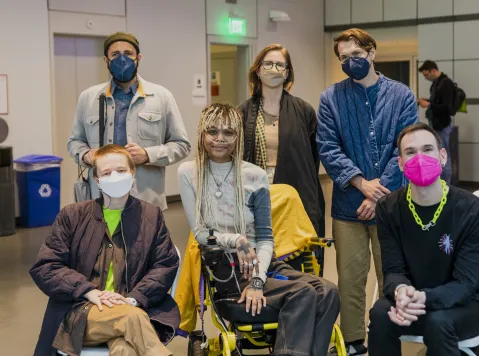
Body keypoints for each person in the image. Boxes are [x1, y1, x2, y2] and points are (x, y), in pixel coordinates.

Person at [178, 103, 340, 356]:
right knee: (304, 293)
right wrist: (237, 240)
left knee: (328, 291)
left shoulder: (254, 175)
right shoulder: (189, 173)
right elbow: (200, 232)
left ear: (238, 136)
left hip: (262, 264)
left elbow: (265, 237)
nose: (220, 139)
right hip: (226, 269)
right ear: (201, 133)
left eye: (229, 133)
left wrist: (256, 280)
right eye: (212, 132)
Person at [317, 28, 418, 355]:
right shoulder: (331, 98)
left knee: (393, 277)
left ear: (371, 53)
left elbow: (405, 148)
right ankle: (353, 342)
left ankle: (387, 339)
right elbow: (328, 148)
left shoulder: (402, 95)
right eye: (344, 58)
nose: (350, 62)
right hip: (348, 208)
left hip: (391, 207)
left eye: (356, 56)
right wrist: (361, 183)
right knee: (349, 281)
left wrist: (379, 193)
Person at [30, 145, 180, 356]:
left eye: (121, 170)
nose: (115, 177)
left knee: (125, 348)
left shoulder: (151, 216)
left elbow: (164, 265)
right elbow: (46, 266)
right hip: (81, 314)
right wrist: (88, 291)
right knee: (130, 318)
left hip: (133, 307)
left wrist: (133, 299)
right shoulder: (72, 216)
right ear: (97, 180)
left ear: (132, 173)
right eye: (107, 173)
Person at [368, 123, 479, 356]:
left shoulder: (473, 211)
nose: (420, 158)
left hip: (465, 304)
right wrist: (401, 291)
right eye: (410, 152)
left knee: (438, 322)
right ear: (400, 164)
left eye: (427, 149)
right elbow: (393, 269)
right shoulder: (388, 208)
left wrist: (425, 297)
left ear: (442, 156)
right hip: (413, 300)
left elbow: (465, 285)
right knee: (380, 314)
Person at [68, 31, 191, 210]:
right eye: (115, 54)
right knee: (103, 239)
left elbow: (182, 145)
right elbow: (75, 142)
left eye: (128, 54)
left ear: (138, 57)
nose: (122, 59)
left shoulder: (161, 97)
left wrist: (148, 154)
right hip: (101, 199)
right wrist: (86, 155)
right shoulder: (89, 98)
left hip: (145, 200)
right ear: (106, 60)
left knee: (144, 238)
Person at [239, 44, 325, 237]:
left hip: (294, 191)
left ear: (287, 73)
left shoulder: (304, 111)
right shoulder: (242, 112)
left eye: (280, 65)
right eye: (268, 64)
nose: (273, 69)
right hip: (254, 192)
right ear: (258, 70)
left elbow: (312, 158)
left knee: (292, 249)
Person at [418, 60, 455, 184]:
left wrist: (428, 104)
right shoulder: (436, 84)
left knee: (443, 156)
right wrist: (428, 102)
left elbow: (447, 108)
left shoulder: (445, 84)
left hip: (442, 125)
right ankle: (441, 184)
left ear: (433, 70)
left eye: (426, 75)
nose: (425, 77)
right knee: (438, 155)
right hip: (436, 124)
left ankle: (447, 186)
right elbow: (438, 103)